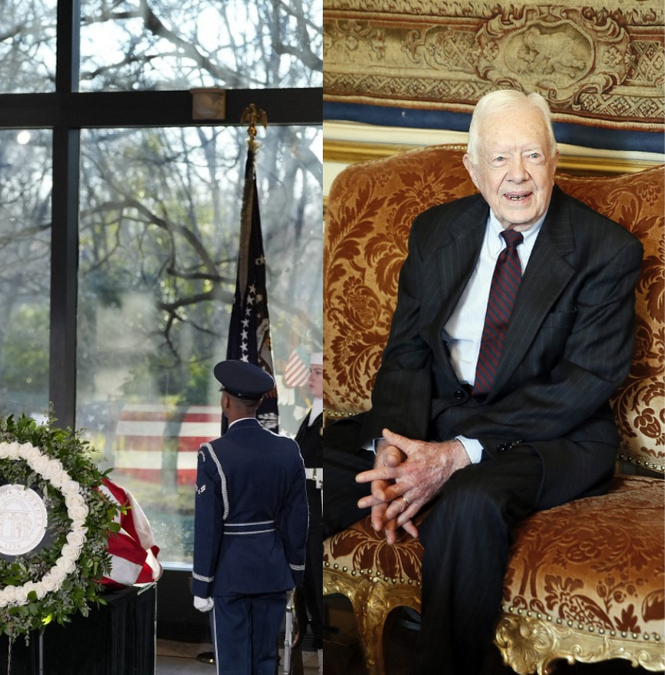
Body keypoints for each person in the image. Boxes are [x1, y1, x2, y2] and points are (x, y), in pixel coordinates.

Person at [322, 90, 643, 674]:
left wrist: (454, 456)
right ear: (472, 168)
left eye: (532, 156)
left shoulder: (606, 250)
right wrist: (394, 446)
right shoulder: (436, 231)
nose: (517, 176)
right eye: (499, 158)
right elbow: (407, 352)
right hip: (446, 413)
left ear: (554, 159)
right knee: (308, 462)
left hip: (554, 432)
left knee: (469, 502)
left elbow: (585, 382)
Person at [192, 360, 308, 675]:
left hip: (230, 575)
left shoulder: (213, 454)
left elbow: (208, 528)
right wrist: (295, 573)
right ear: (259, 403)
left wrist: (201, 585)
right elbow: (297, 522)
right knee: (264, 662)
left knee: (233, 664)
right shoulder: (288, 451)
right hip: (272, 571)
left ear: (225, 402)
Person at [293, 351, 322, 653]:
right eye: (312, 371)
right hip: (306, 511)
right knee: (307, 583)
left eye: (318, 372)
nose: (311, 378)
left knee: (317, 579)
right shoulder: (313, 413)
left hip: (321, 512)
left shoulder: (330, 417)